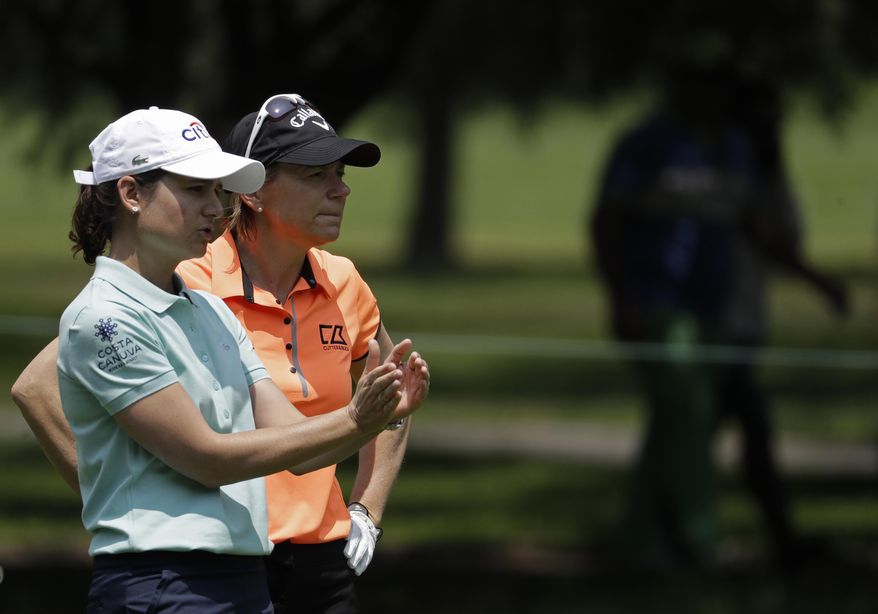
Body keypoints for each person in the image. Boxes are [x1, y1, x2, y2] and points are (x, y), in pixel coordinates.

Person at [12, 94, 430, 613]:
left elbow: (308, 437)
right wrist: (117, 502)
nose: (216, 205)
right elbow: (203, 458)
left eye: (216, 189)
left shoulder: (209, 309)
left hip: (254, 572)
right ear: (130, 193)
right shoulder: (126, 304)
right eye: (195, 190)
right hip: (167, 577)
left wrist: (369, 451)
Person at [590, 63, 756, 567]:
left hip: (713, 304)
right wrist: (621, 297)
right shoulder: (646, 144)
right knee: (686, 412)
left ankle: (641, 537)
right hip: (656, 301)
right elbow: (608, 223)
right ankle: (698, 536)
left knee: (680, 420)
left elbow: (751, 221)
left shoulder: (732, 145)